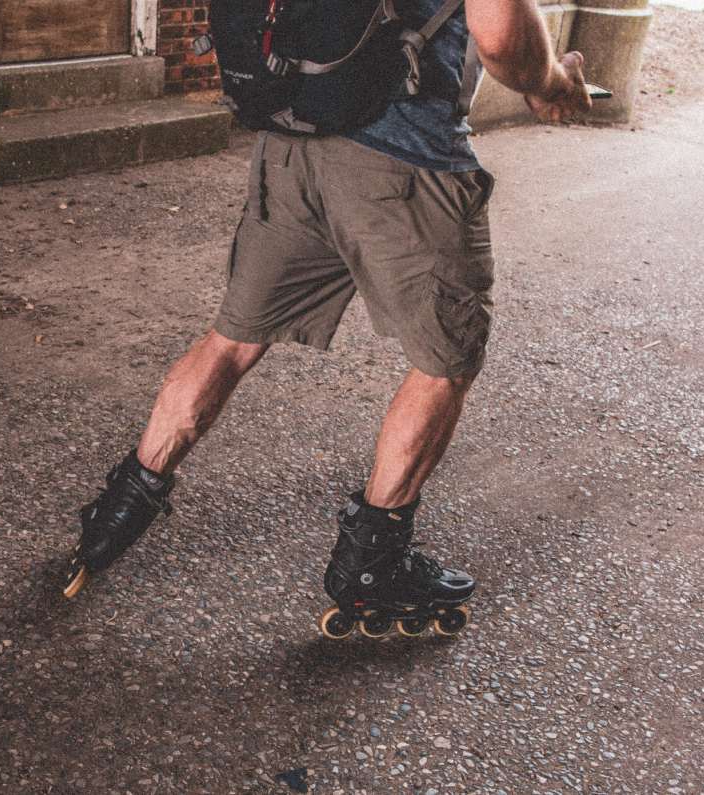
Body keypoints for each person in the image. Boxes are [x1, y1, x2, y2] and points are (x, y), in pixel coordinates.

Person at [62, 0, 593, 638]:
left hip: (291, 143)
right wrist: (556, 83)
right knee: (444, 362)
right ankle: (372, 569)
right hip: (405, 164)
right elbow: (503, 38)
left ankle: (113, 520)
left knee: (231, 341)